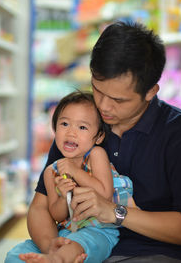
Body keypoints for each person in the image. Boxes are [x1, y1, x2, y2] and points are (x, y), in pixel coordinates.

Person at [6, 21, 181, 263]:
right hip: (77, 242)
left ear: (150, 91)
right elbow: (41, 207)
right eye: (97, 89)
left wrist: (115, 212)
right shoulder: (80, 124)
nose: (103, 106)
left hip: (154, 252)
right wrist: (54, 249)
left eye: (118, 100)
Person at [8, 91, 134, 263]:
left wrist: (75, 172)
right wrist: (62, 195)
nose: (71, 133)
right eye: (65, 124)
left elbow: (105, 193)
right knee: (16, 254)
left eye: (82, 127)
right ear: (54, 128)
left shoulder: (96, 155)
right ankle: (55, 256)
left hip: (99, 231)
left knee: (77, 245)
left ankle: (56, 259)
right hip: (67, 231)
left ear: (98, 137)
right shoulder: (51, 171)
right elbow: (57, 214)